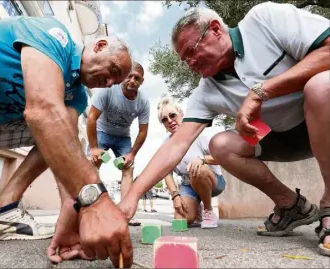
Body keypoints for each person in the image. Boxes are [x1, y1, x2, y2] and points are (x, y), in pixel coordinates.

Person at [118, 2, 330, 257]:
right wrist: (131, 197)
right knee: (220, 144)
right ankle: (291, 205)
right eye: (184, 60)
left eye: (191, 52)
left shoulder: (265, 20)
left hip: (321, 116)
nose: (189, 63)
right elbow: (175, 145)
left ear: (216, 29)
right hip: (279, 137)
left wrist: (262, 91)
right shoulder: (205, 92)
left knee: (322, 86)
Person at [0, 16, 135, 267]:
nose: (110, 83)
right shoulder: (52, 34)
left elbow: (60, 138)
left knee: (61, 128)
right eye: (113, 71)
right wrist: (95, 202)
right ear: (99, 46)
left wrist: (72, 210)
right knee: (50, 118)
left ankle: (3, 209)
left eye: (115, 82)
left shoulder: (77, 98)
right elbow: (43, 110)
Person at [86, 62, 150, 226]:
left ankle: (125, 212)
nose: (132, 80)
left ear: (142, 82)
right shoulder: (108, 90)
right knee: (93, 163)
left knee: (128, 167)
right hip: (102, 132)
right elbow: (91, 118)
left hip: (123, 137)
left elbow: (143, 131)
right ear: (124, 76)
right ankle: (90, 210)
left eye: (137, 78)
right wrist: (93, 148)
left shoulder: (143, 101)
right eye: (130, 75)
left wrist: (132, 154)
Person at [158, 97, 225, 228]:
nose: (170, 121)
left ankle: (208, 210)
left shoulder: (197, 135)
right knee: (181, 220)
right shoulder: (166, 144)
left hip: (213, 181)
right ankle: (196, 210)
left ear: (182, 115)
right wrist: (175, 196)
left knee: (196, 168)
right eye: (164, 119)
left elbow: (221, 157)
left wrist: (202, 159)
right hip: (189, 185)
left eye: (172, 115)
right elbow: (166, 173)